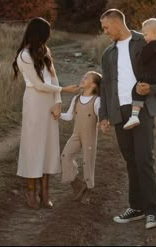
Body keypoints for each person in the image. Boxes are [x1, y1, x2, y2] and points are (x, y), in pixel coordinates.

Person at [99, 9, 156, 229]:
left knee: (144, 159)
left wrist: (151, 87)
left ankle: (152, 210)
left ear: (116, 23)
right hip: (118, 111)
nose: (104, 32)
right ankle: (137, 207)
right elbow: (105, 85)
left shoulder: (145, 41)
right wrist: (103, 114)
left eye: (105, 27)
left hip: (140, 109)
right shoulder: (107, 54)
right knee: (131, 160)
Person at [12, 17, 79, 210]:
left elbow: (53, 76)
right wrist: (64, 90)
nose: (49, 37)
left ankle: (45, 193)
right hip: (34, 102)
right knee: (34, 146)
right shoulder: (24, 56)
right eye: (47, 33)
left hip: (49, 101)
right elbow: (40, 85)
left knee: (49, 145)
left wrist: (58, 102)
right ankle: (30, 192)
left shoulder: (45, 50)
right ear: (38, 33)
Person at [57, 71, 101, 204]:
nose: (83, 78)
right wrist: (57, 114)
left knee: (88, 162)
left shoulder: (97, 100)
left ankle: (88, 190)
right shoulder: (76, 98)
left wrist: (104, 122)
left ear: (93, 85)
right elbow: (69, 116)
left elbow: (101, 117)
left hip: (90, 135)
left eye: (86, 78)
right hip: (76, 134)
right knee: (65, 156)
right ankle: (77, 184)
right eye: (83, 76)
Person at [123, 18, 156, 130]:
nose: (144, 37)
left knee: (136, 91)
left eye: (145, 34)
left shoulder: (151, 46)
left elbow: (143, 59)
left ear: (154, 33)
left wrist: (138, 55)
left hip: (149, 75)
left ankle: (134, 116)